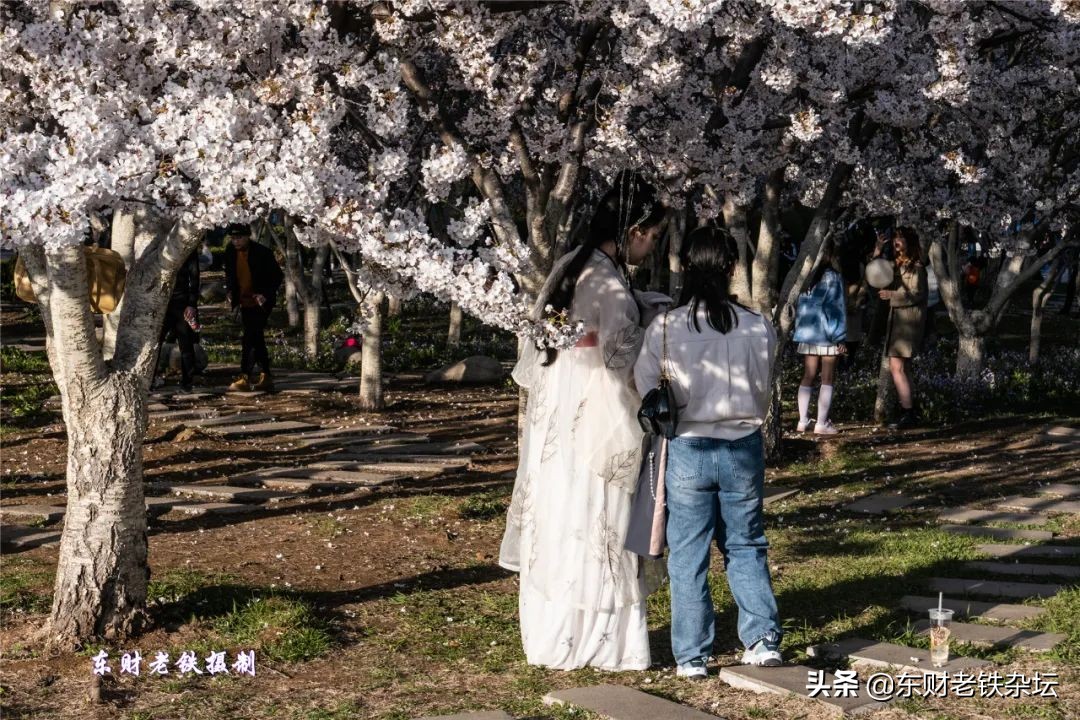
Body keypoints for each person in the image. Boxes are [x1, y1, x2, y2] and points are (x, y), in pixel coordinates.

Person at [499, 174, 668, 671]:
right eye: (652, 236)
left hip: (559, 411)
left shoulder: (570, 266)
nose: (651, 247)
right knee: (602, 518)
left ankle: (554, 634)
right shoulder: (609, 282)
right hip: (599, 411)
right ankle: (601, 640)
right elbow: (623, 358)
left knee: (562, 515)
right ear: (634, 229)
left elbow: (552, 342)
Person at [635, 226, 783, 680]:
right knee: (745, 543)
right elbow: (763, 388)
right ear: (731, 268)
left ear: (687, 267)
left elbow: (645, 387)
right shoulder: (757, 326)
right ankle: (761, 640)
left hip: (688, 445)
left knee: (688, 551)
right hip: (742, 445)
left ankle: (692, 655)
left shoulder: (666, 326)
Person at [874, 227, 927, 429]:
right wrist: (878, 250)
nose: (897, 241)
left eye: (901, 238)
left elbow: (918, 294)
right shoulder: (897, 263)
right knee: (900, 368)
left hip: (907, 324)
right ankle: (908, 410)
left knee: (897, 368)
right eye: (895, 237)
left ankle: (908, 411)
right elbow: (876, 275)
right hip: (897, 322)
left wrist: (892, 296)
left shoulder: (916, 266)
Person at [792, 241, 847, 434]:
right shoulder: (832, 277)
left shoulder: (805, 277)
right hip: (827, 333)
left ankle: (802, 420)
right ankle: (821, 423)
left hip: (807, 333)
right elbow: (835, 308)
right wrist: (840, 336)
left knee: (808, 375)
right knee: (827, 378)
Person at [223, 224, 283, 392]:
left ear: (248, 236)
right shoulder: (230, 251)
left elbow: (277, 276)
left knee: (249, 337)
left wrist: (264, 293)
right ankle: (266, 375)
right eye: (233, 239)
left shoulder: (262, 252)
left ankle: (245, 376)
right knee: (256, 338)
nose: (236, 242)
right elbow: (230, 274)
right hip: (244, 301)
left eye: (239, 238)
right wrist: (229, 291)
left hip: (261, 302)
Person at [154, 249, 201, 392]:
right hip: (162, 303)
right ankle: (150, 379)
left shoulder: (188, 250)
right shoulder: (159, 246)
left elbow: (195, 277)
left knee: (185, 343)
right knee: (155, 343)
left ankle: (187, 382)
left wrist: (192, 304)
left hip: (182, 303)